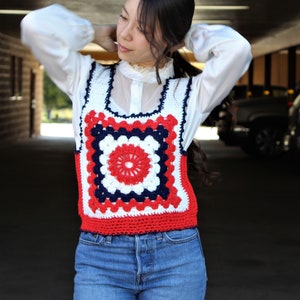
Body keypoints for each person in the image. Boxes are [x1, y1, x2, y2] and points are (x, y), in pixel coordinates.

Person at [21, 1, 252, 299]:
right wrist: (93, 32)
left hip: (176, 258)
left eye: (142, 28)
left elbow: (238, 49)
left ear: (170, 38)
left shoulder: (190, 95)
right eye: (123, 18)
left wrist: (184, 34)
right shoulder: (83, 79)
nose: (125, 34)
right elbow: (34, 26)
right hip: (100, 259)